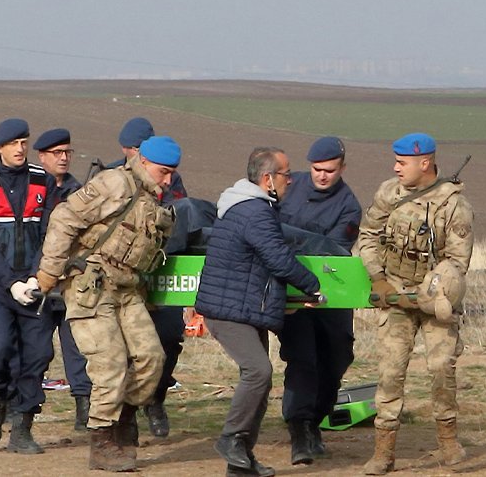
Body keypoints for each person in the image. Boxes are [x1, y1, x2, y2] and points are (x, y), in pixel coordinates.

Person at [36, 135, 181, 472]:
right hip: (92, 287)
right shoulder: (115, 183)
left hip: (129, 291)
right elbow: (63, 218)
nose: (169, 179)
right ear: (144, 162)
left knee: (151, 358)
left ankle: (124, 419)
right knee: (110, 364)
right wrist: (49, 271)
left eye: (172, 173)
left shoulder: (154, 198)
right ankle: (102, 442)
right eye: (164, 171)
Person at [194, 147, 323, 477]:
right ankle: (230, 440)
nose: (291, 181)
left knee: (259, 381)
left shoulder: (249, 206)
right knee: (259, 372)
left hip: (244, 308)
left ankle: (241, 463)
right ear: (268, 179)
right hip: (228, 311)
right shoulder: (254, 211)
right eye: (286, 174)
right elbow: (278, 258)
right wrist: (313, 287)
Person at [356, 133, 475, 474]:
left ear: (424, 163)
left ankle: (449, 440)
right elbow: (367, 236)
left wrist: (436, 290)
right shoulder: (387, 193)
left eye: (402, 162)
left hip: (435, 302)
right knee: (390, 373)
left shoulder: (454, 204)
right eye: (395, 161)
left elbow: (457, 260)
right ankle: (384, 452)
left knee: (441, 369)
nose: (396, 168)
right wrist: (376, 276)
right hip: (394, 296)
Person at [0, 118, 55, 455]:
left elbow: (50, 234)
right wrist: (10, 282)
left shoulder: (42, 181)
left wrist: (35, 276)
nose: (20, 149)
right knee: (0, 344)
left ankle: (23, 427)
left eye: (24, 142)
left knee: (37, 355)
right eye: (13, 143)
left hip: (35, 283)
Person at [276, 136, 361, 464]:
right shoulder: (289, 185)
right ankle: (300, 428)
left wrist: (291, 237)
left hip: (333, 290)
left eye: (330, 170)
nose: (322, 175)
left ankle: (316, 417)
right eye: (317, 169)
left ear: (342, 168)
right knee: (302, 357)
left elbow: (334, 251)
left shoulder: (349, 205)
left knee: (338, 353)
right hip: (290, 288)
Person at [112, 116, 187, 438]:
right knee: (119, 350)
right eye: (130, 150)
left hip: (160, 274)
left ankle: (155, 400)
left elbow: (181, 221)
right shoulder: (112, 178)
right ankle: (117, 416)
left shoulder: (170, 179)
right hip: (122, 279)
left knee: (169, 339)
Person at [33, 127, 92, 431]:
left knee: (77, 349)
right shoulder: (32, 190)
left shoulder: (80, 192)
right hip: (38, 283)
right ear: (42, 156)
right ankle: (26, 410)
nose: (64, 158)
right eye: (57, 153)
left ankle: (84, 409)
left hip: (70, 283)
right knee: (36, 349)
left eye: (68, 152)